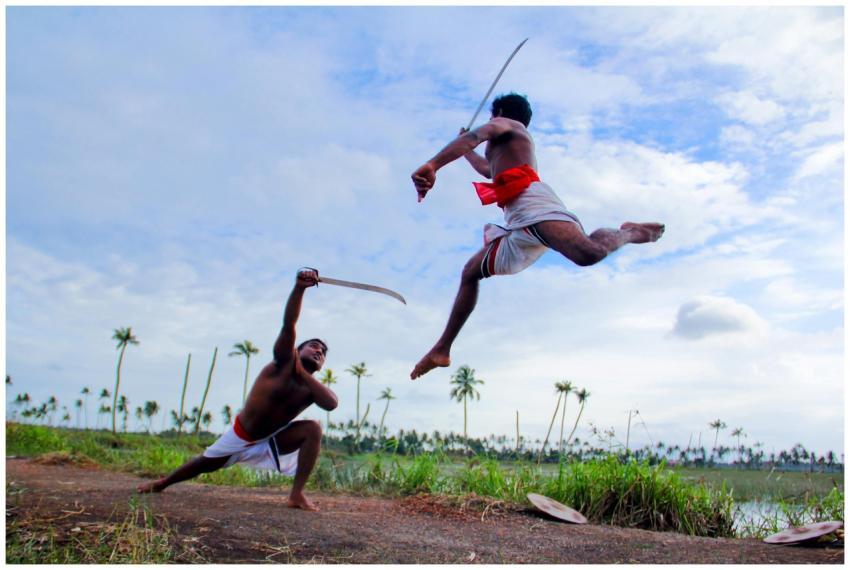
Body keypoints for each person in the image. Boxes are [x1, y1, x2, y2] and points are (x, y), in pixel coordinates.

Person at [410, 93, 664, 380]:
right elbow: (485, 166)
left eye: (493, 118)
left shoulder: (509, 125)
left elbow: (476, 138)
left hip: (532, 203)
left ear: (501, 113)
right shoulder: (505, 148)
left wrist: (434, 164)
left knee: (588, 253)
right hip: (516, 220)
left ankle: (630, 231)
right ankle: (442, 349)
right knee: (470, 272)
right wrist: (467, 150)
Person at [137, 269, 337, 511]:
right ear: (297, 350)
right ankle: (162, 483)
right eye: (314, 346)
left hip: (272, 438)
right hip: (242, 434)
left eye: (323, 353)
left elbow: (331, 403)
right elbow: (289, 324)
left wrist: (304, 375)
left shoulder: (311, 388)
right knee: (204, 463)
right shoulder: (282, 362)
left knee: (313, 428)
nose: (319, 352)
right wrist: (299, 288)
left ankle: (296, 494)